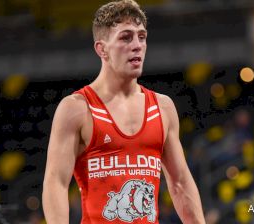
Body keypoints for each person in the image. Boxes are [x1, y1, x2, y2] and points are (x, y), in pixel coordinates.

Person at [42, 0, 205, 223]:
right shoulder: (77, 108)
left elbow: (180, 183)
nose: (137, 45)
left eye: (142, 36)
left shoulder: (163, 108)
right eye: (126, 37)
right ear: (102, 49)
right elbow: (56, 184)